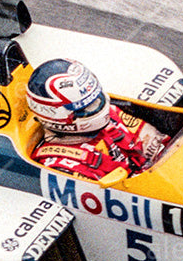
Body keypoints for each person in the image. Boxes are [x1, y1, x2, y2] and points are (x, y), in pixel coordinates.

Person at [26, 58, 168, 180]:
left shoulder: (112, 114)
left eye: (97, 99)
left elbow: (161, 147)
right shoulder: (61, 168)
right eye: (86, 107)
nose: (99, 107)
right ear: (58, 116)